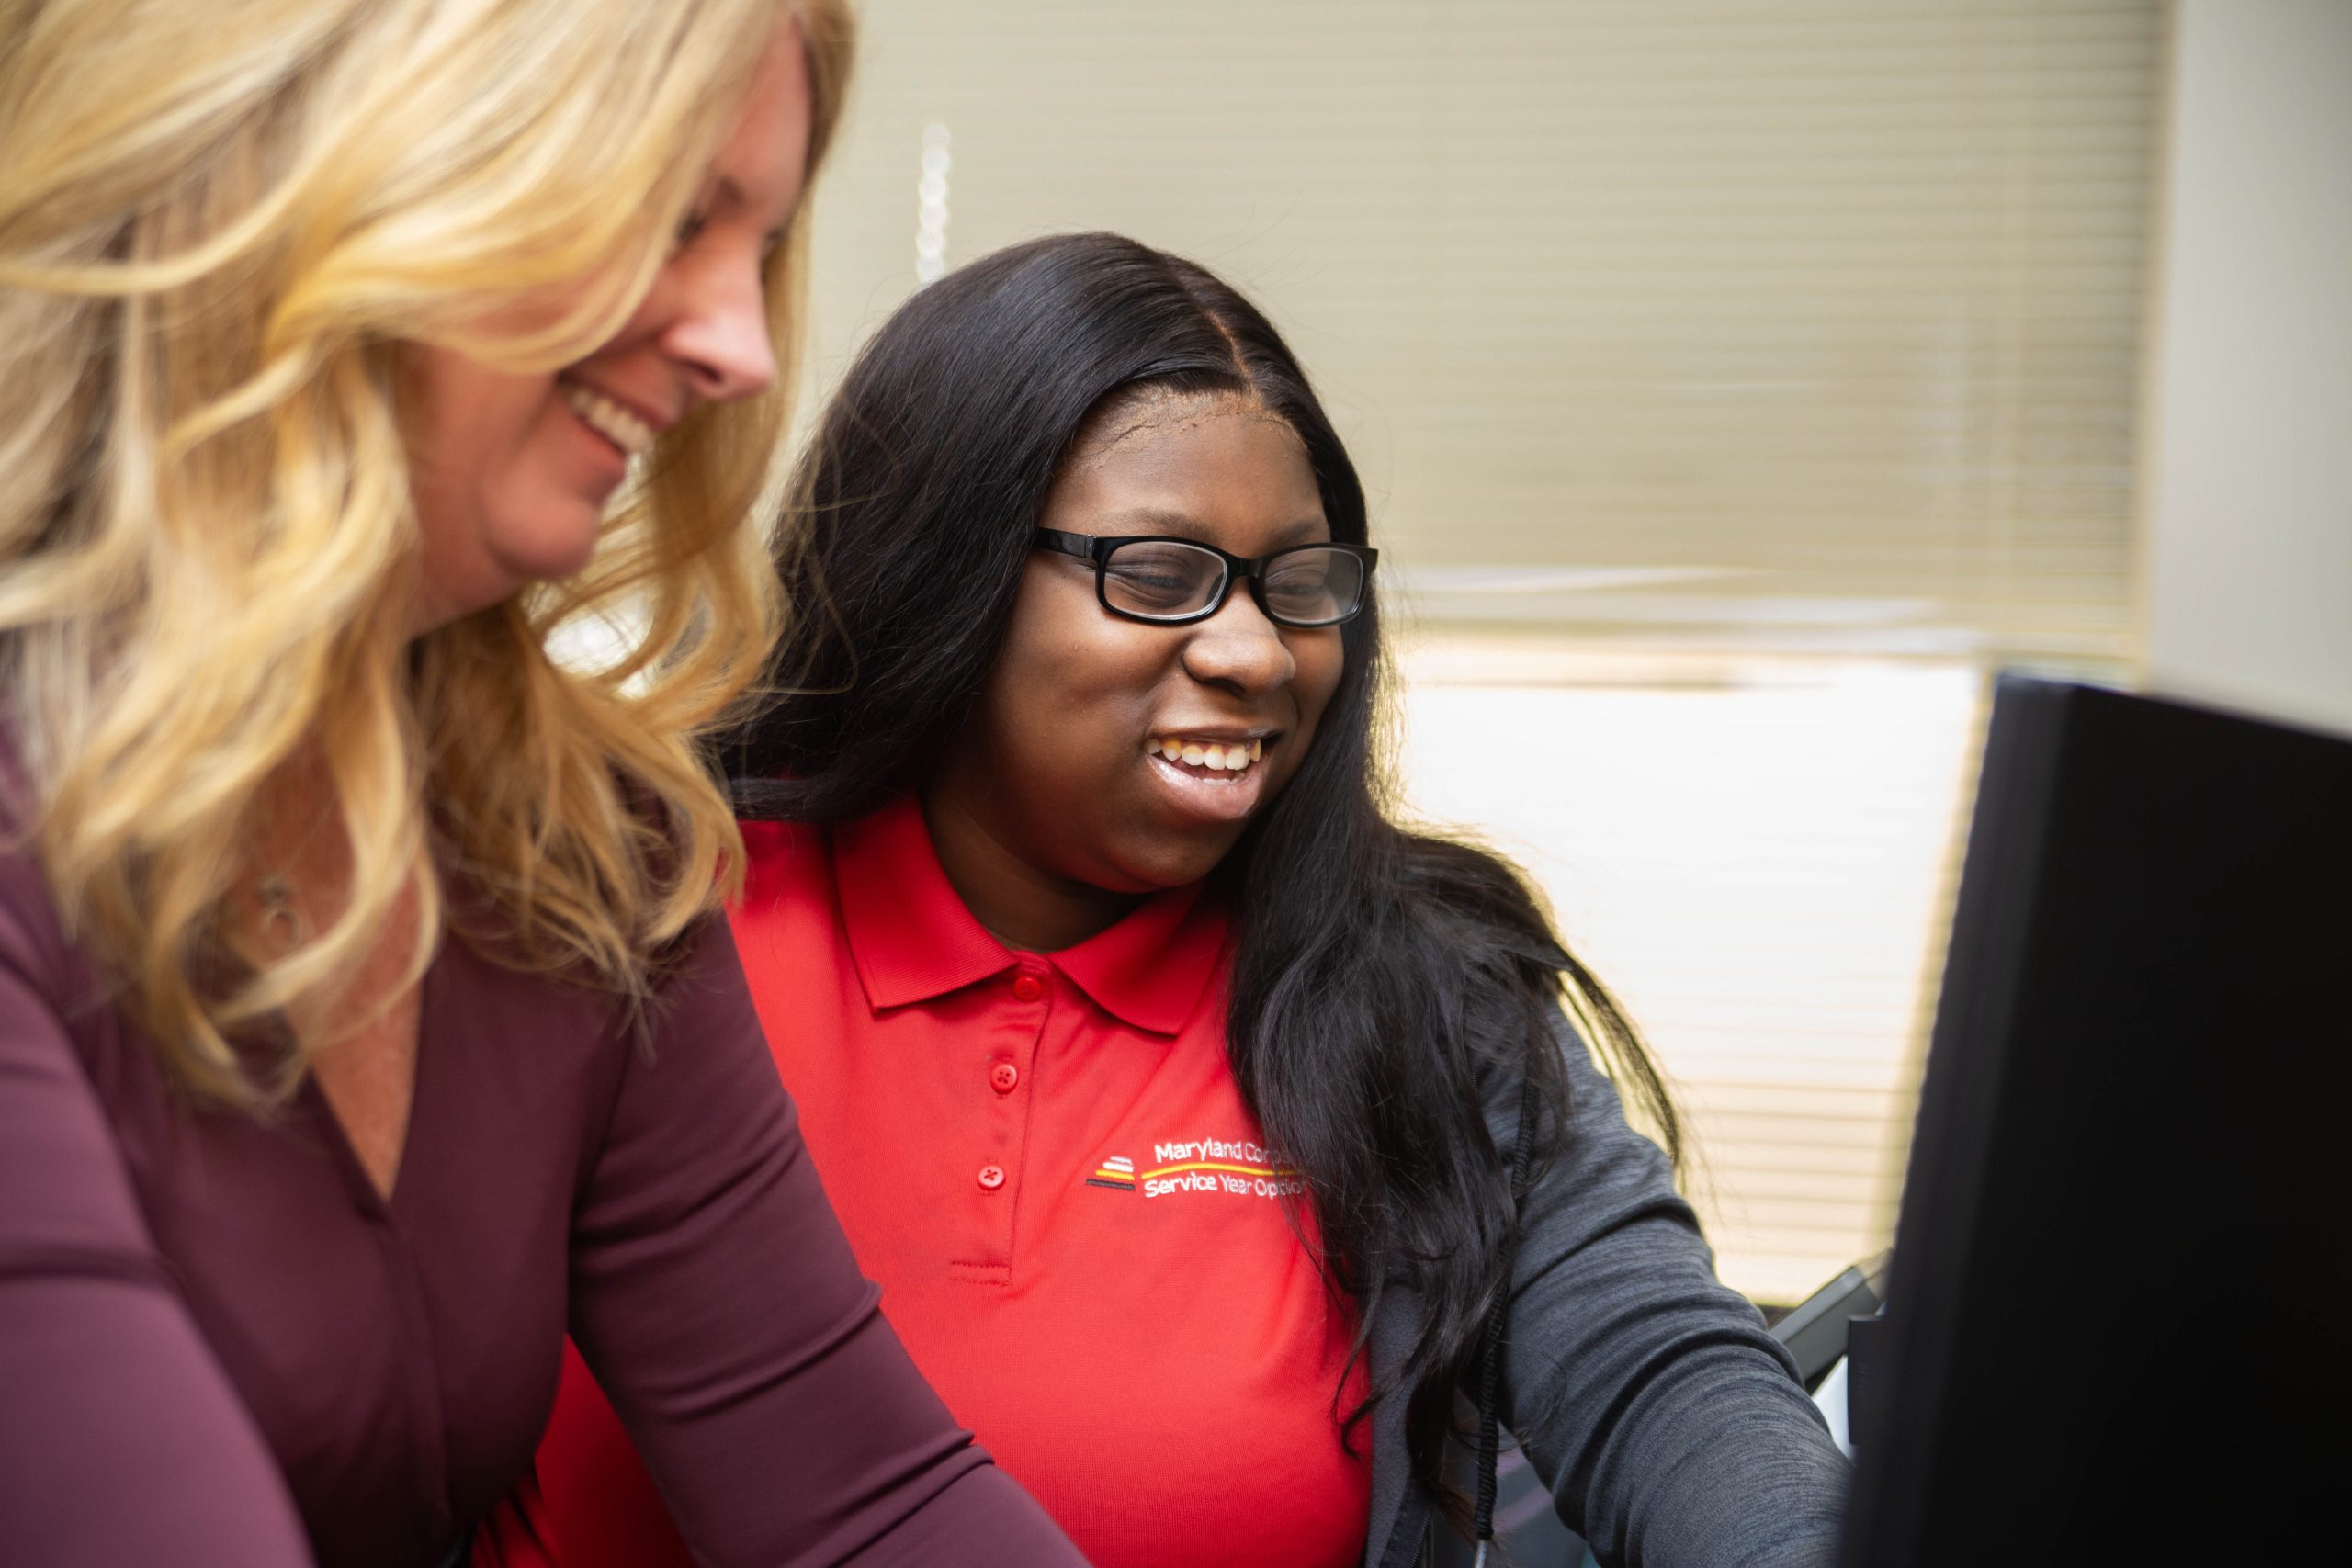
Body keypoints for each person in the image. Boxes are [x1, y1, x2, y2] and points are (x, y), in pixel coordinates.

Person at [513, 231, 1852, 1568]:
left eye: (1301, 585)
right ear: (946, 571)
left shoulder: (1421, 997)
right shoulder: (638, 913)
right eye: (1158, 576)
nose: (1257, 653)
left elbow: (1659, 1372)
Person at [0, 3, 1086, 1564]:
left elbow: (863, 1503)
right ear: (329, 165)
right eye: (670, 216)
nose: (742, 348)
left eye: (756, 246)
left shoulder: (575, 846)